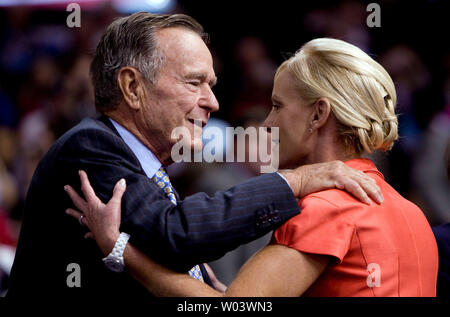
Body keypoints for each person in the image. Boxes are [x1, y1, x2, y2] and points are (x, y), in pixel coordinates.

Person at [6, 13, 381, 299]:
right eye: (194, 82)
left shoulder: (144, 162)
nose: (212, 101)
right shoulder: (89, 147)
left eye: (212, 85)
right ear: (132, 87)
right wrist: (295, 181)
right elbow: (176, 234)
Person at [66, 38, 438, 297]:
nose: (265, 126)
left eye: (277, 106)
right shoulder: (413, 214)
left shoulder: (326, 209)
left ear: (319, 114)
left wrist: (119, 249)